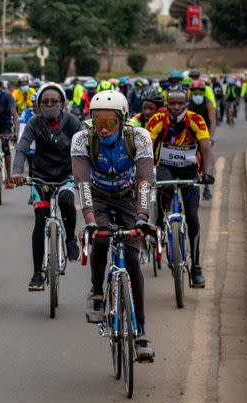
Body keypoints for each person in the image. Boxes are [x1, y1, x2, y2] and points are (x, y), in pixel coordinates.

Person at [71, 90, 155, 361]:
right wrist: (90, 221)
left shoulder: (139, 137)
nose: (104, 129)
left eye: (110, 123)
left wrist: (142, 216)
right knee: (102, 240)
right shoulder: (83, 139)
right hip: (97, 197)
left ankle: (140, 330)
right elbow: (82, 182)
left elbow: (144, 180)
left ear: (124, 120)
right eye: (98, 123)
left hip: (128, 198)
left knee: (132, 258)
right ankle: (97, 291)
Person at [10, 83, 82, 291]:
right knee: (40, 220)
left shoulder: (72, 122)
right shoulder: (34, 123)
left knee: (67, 200)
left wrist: (86, 173)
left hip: (66, 175)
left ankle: (69, 238)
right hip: (40, 177)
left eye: (54, 101)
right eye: (45, 102)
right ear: (39, 106)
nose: (50, 105)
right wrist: (16, 172)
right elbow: (22, 147)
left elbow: (85, 146)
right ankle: (37, 273)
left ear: (62, 104)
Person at [147, 88, 214, 289]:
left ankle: (196, 267)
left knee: (192, 216)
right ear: (167, 104)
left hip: (189, 170)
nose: (176, 107)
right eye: (172, 104)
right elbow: (147, 145)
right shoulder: (158, 119)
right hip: (165, 166)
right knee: (163, 187)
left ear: (186, 104)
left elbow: (206, 147)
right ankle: (158, 222)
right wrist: (144, 173)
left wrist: (207, 172)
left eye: (180, 104)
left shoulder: (196, 120)